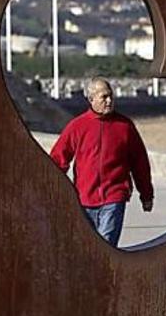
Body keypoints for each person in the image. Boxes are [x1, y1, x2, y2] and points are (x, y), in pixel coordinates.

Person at [50, 77, 154, 247]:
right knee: (86, 250)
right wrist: (51, 191)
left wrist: (147, 195)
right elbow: (58, 160)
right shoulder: (77, 126)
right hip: (84, 200)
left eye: (111, 96)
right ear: (91, 99)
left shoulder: (125, 126)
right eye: (104, 97)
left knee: (106, 248)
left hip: (114, 198)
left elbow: (140, 163)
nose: (109, 101)